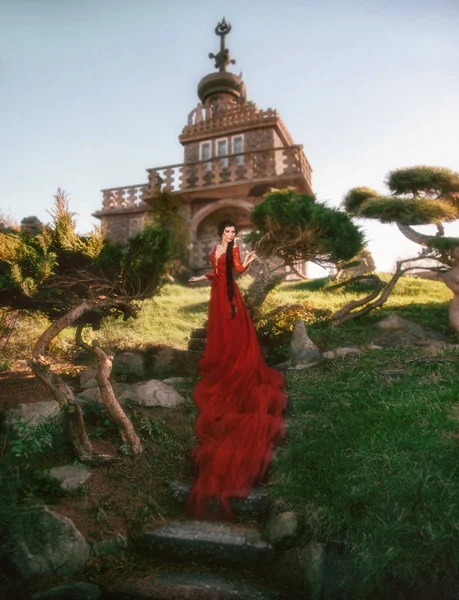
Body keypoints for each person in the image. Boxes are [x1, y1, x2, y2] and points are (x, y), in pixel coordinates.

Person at [187, 220, 287, 519]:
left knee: (231, 331)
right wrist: (199, 277)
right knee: (218, 332)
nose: (231, 236)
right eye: (228, 232)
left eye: (234, 234)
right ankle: (222, 359)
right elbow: (217, 271)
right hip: (216, 291)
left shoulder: (234, 250)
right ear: (222, 232)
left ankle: (234, 362)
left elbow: (235, 273)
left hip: (229, 295)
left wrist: (248, 262)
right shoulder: (216, 248)